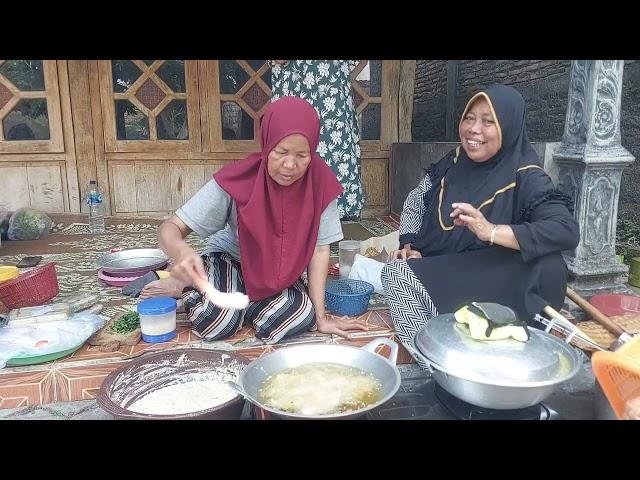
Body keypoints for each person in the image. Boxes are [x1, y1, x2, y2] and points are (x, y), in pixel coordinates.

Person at [381, 84, 580, 366]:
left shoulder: (526, 174)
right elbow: (417, 199)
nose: (474, 129)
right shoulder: (454, 160)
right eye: (469, 118)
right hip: (457, 264)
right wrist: (409, 243)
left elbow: (565, 230)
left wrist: (491, 231)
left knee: (399, 277)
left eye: (489, 121)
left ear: (508, 126)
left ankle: (442, 368)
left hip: (502, 274)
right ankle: (439, 359)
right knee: (399, 270)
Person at [142, 96, 367, 343]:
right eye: (280, 152)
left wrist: (321, 316)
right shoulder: (238, 180)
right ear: (267, 144)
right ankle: (186, 286)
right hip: (231, 259)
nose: (290, 165)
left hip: (280, 273)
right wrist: (181, 251)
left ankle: (240, 305)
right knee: (217, 324)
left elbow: (320, 249)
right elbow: (170, 227)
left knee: (303, 317)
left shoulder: (321, 184)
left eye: (302, 155)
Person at [270, 60, 364, 220]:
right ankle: (291, 217)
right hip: (296, 87)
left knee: (336, 154)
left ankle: (334, 221)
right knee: (293, 147)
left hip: (332, 96)